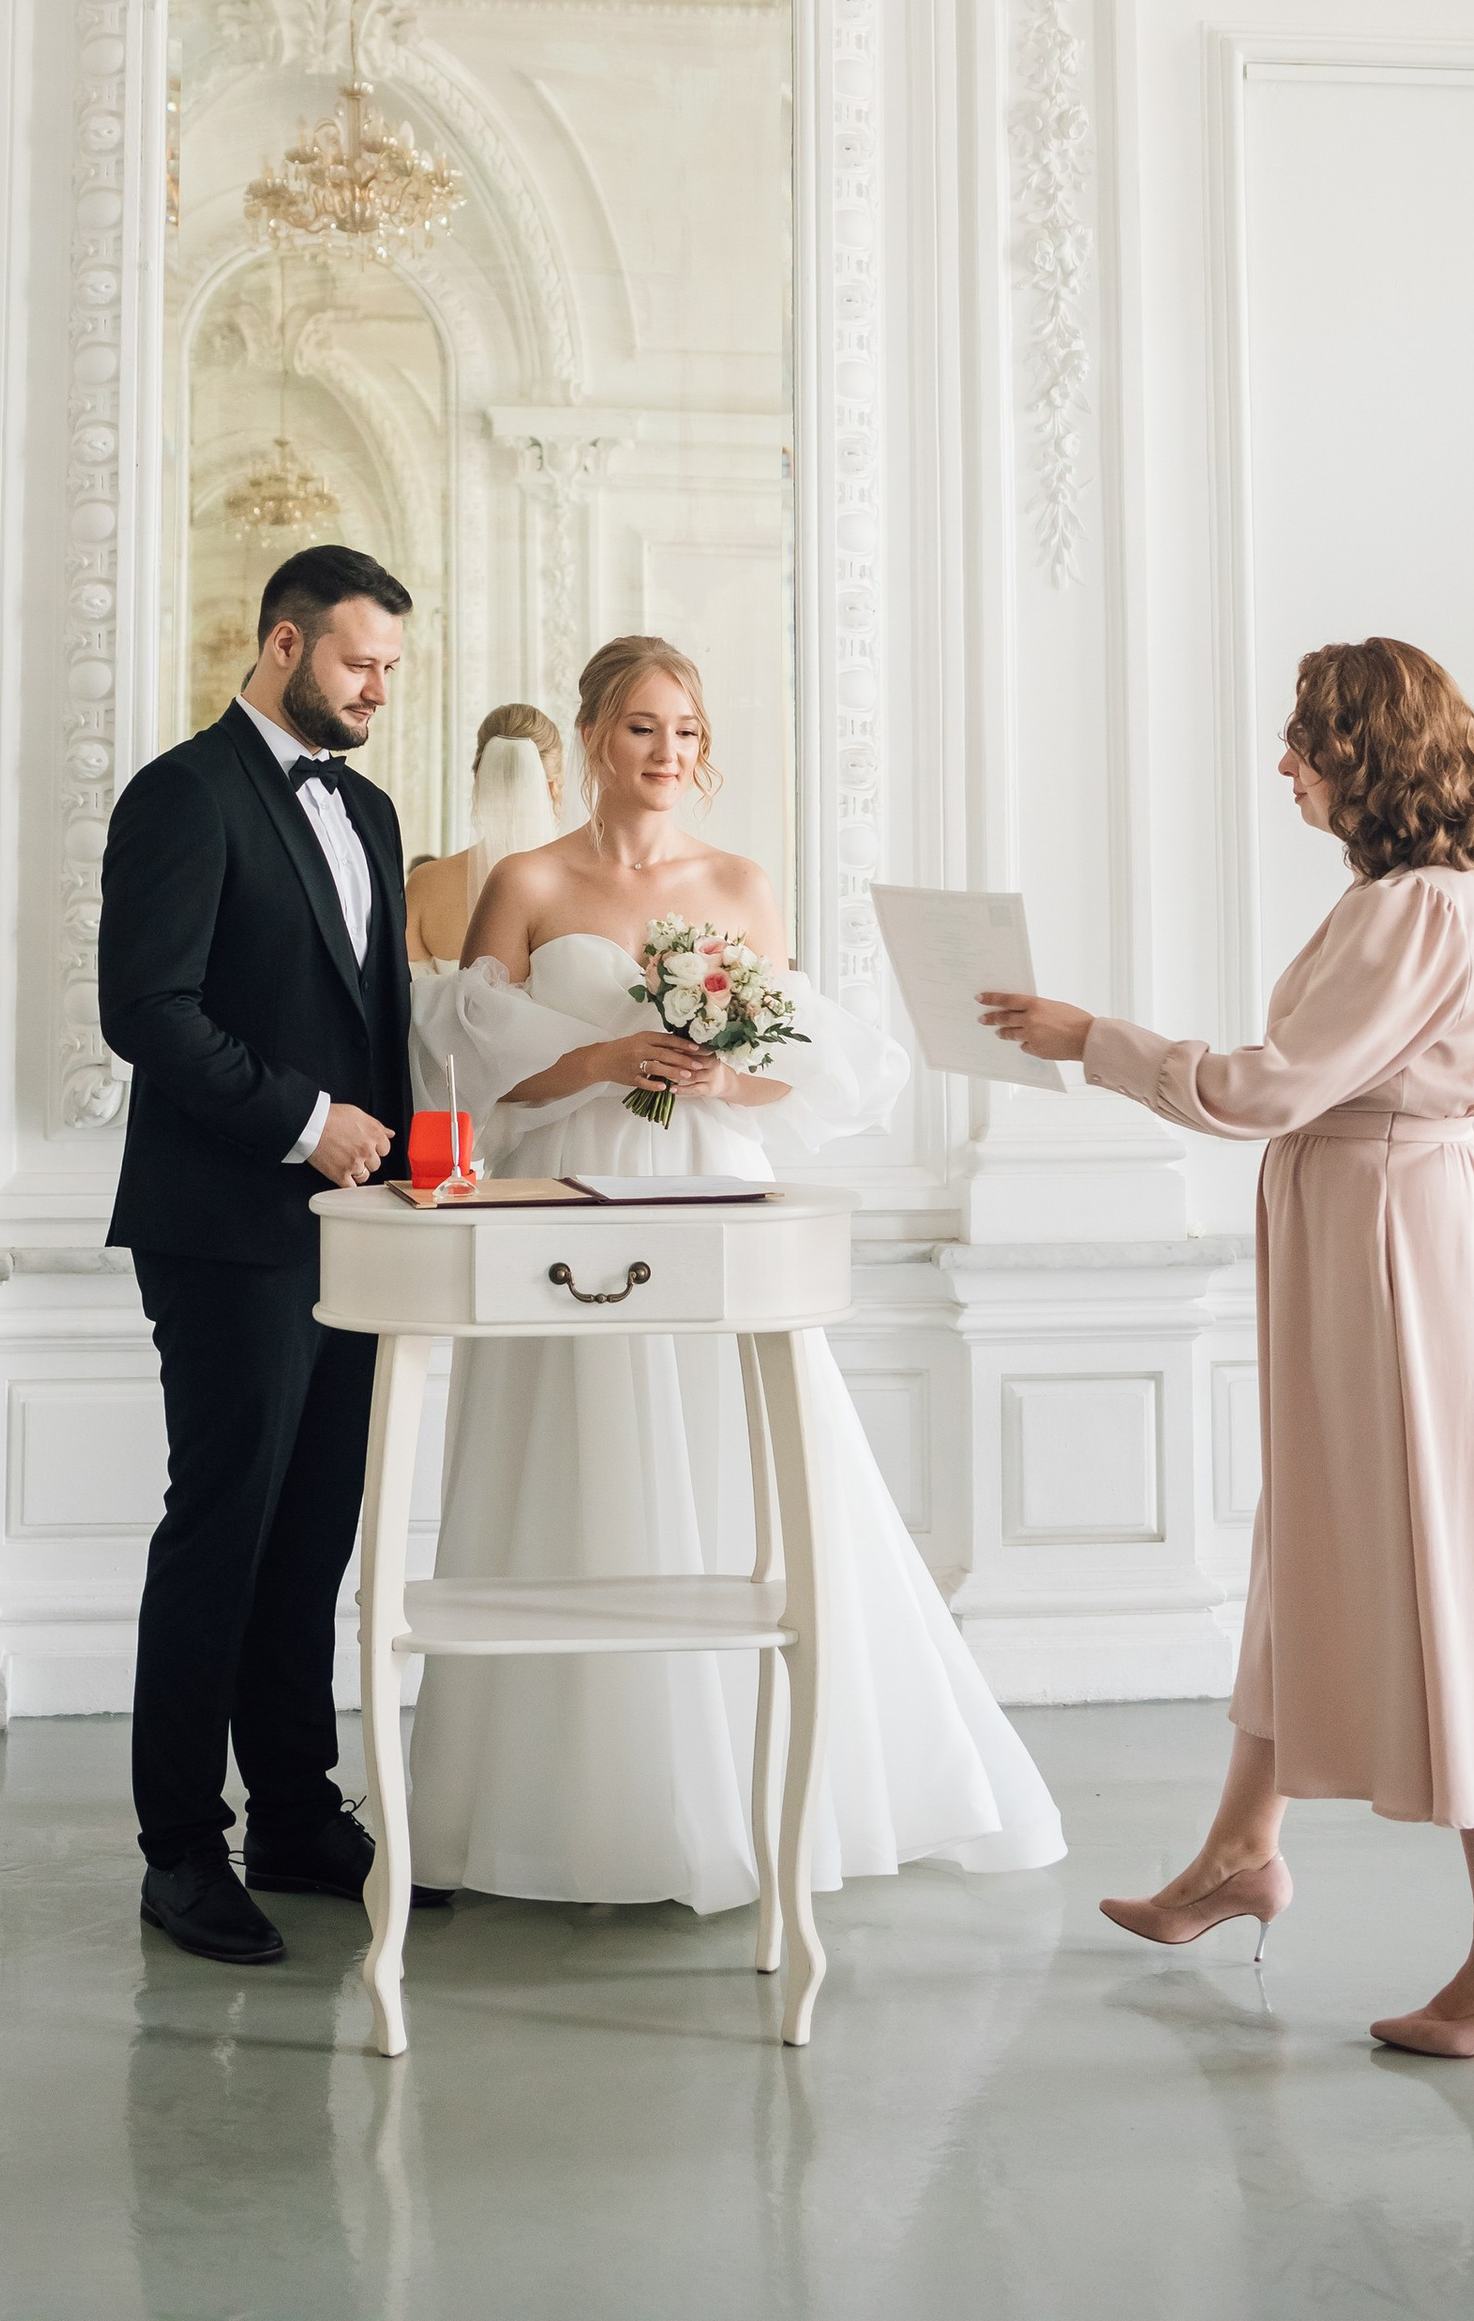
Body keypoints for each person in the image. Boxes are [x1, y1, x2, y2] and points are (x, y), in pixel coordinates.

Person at [979, 637, 1474, 2060]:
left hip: (1396, 1246)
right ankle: (1237, 1852)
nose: (1286, 769)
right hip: (1370, 1233)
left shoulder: (1419, 910)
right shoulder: (1415, 900)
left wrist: (1096, 1040)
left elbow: (1273, 1088)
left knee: (1443, 1562)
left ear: (1364, 756)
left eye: (1305, 746)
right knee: (1315, 1541)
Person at [406, 633, 1064, 1911]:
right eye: (644, 727)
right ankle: (561, 1808)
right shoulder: (525, 881)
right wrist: (601, 1062)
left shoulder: (743, 888)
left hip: (712, 1189)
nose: (668, 753)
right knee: (574, 1458)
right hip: (568, 1203)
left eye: (689, 732)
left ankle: (753, 1793)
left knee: (739, 1462)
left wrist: (720, 1073)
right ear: (594, 736)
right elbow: (469, 1065)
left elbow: (803, 1066)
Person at [98, 542, 446, 1969]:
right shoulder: (181, 795)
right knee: (224, 1528)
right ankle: (183, 1848)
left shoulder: (366, 807)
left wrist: (422, 1166)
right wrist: (307, 1126)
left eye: (394, 669)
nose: (380, 689)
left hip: (360, 1232)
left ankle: (299, 1813)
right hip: (223, 1226)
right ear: (286, 645)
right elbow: (148, 1012)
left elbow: (375, 1025)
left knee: (317, 1533)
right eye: (363, 661)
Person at [404, 704, 565, 966]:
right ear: (553, 787)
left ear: (479, 778)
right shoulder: (585, 885)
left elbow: (406, 997)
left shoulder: (425, 884)